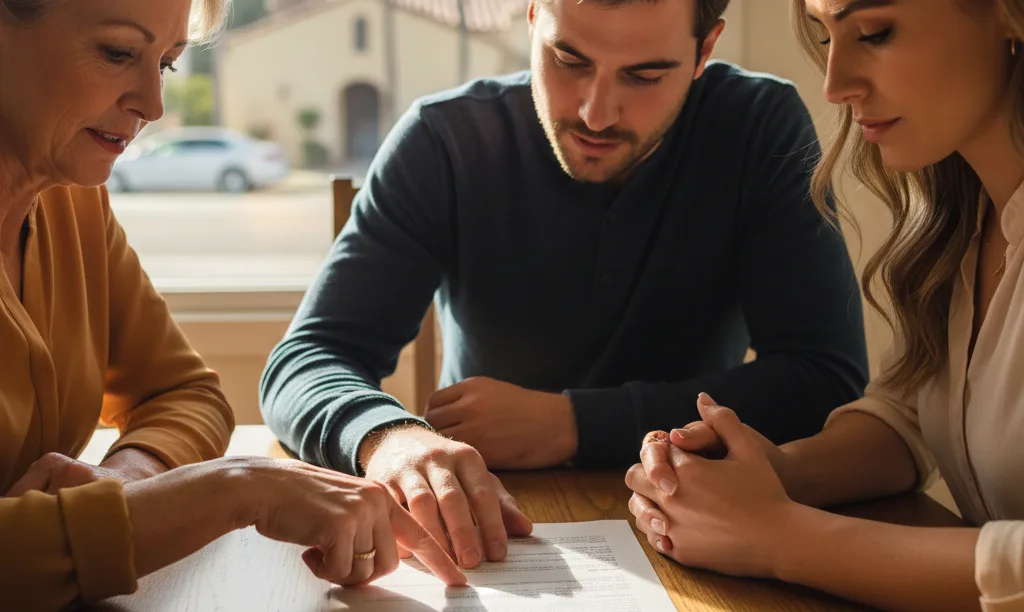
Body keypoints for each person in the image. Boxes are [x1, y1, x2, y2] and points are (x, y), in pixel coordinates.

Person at [261, 0, 870, 574]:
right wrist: (387, 439)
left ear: (705, 49)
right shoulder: (445, 139)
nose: (595, 113)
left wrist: (572, 424)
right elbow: (305, 361)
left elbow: (825, 377)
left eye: (645, 76)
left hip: (702, 524)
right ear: (531, 17)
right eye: (569, 62)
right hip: (484, 523)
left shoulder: (758, 125)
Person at [0, 0, 463, 609]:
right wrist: (236, 489)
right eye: (117, 53)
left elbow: (186, 392)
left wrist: (127, 485)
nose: (153, 105)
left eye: (164, 64)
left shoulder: (71, 205)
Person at [627, 0, 1024, 610]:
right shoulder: (966, 218)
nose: (835, 85)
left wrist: (780, 537)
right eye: (825, 35)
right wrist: (780, 473)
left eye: (875, 32)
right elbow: (911, 412)